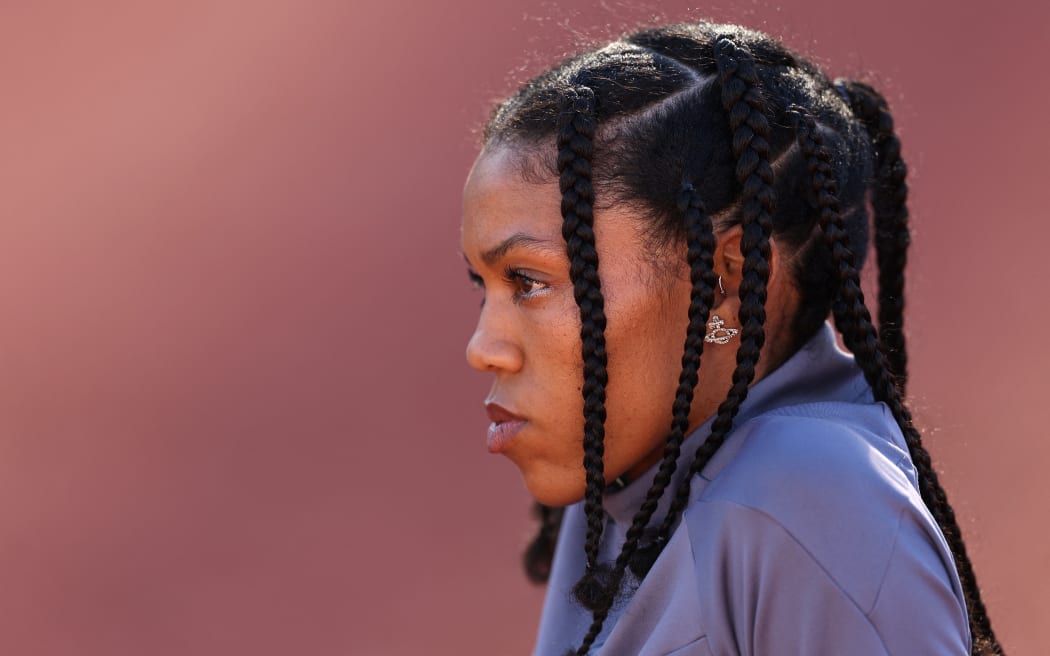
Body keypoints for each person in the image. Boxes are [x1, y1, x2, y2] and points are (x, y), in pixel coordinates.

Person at [460, 20, 1003, 656]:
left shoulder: (811, 500)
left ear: (726, 276)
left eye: (528, 281)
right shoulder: (623, 484)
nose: (482, 348)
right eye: (485, 286)